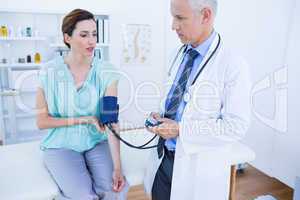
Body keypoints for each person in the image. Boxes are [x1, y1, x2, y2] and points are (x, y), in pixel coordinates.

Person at [144, 0, 251, 199]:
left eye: (180, 18)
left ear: (206, 15)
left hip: (197, 172)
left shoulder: (232, 64)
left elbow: (236, 126)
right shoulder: (177, 54)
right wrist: (161, 115)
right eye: (173, 17)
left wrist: (180, 130)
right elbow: (176, 103)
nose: (173, 26)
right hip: (163, 161)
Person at [36, 9, 128, 200]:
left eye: (94, 34)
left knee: (112, 190)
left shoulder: (106, 71)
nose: (91, 41)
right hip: (60, 144)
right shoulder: (49, 72)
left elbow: (110, 120)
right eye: (84, 35)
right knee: (84, 196)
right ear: (67, 37)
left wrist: (118, 167)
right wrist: (84, 119)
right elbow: (42, 121)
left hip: (95, 141)